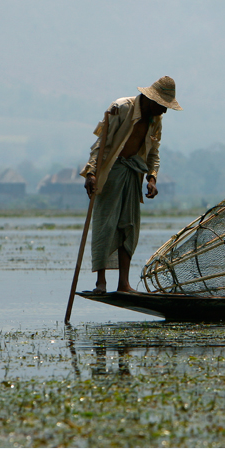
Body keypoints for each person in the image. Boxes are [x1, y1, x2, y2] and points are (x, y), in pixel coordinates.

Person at [80, 76, 182, 293]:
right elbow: (101, 143)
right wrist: (91, 173)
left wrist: (152, 178)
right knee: (105, 225)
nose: (163, 112)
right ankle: (101, 283)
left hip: (133, 173)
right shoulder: (120, 108)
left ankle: (123, 284)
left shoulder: (156, 120)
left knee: (129, 226)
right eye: (162, 106)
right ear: (150, 100)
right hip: (111, 172)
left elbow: (154, 152)